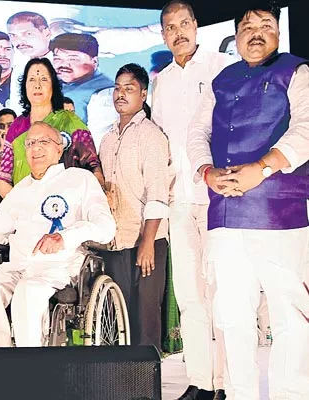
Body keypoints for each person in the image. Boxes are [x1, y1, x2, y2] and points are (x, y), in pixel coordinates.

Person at [187, 3, 309, 398]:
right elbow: (196, 133)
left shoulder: (297, 71)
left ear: (278, 32)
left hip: (280, 210)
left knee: (289, 314)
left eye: (266, 25)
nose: (256, 33)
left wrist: (264, 167)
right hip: (224, 212)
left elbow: (306, 128)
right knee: (231, 316)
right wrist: (206, 172)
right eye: (247, 27)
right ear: (236, 37)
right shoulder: (222, 79)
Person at [0, 121, 115, 347]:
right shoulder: (20, 190)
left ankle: (31, 371)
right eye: (30, 143)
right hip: (18, 268)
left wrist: (65, 237)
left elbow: (106, 227)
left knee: (28, 291)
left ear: (59, 149)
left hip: (57, 269)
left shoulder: (79, 179)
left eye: (43, 142)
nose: (35, 148)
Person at [151, 1, 234, 399]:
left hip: (217, 195)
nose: (179, 32)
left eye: (185, 23)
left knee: (221, 293)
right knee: (189, 296)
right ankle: (201, 382)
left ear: (196, 26)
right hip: (178, 201)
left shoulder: (220, 67)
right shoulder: (161, 80)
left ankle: (225, 383)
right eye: (170, 26)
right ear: (163, 34)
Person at [99, 63, 171, 352]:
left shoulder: (151, 135)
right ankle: (121, 383)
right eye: (117, 88)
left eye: (129, 88)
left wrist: (148, 242)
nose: (120, 94)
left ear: (143, 94)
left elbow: (158, 193)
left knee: (146, 320)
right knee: (119, 316)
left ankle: (147, 387)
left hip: (147, 242)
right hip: (115, 240)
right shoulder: (106, 138)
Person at [0, 58, 103, 198]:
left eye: (44, 79)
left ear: (53, 86)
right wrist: (23, 204)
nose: (37, 85)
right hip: (24, 211)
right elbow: (3, 179)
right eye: (32, 80)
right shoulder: (17, 126)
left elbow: (93, 167)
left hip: (65, 209)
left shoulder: (70, 122)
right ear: (25, 87)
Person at [51, 33, 117, 147]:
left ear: (94, 62)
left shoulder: (105, 94)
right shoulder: (55, 83)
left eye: (73, 59)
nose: (64, 64)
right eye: (58, 58)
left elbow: (97, 145)